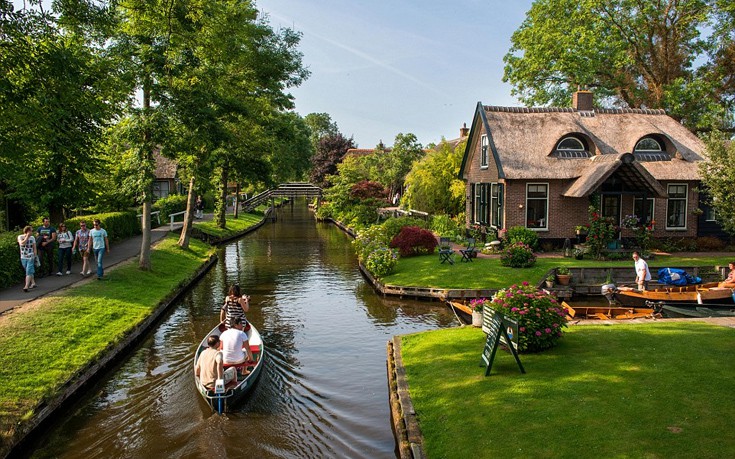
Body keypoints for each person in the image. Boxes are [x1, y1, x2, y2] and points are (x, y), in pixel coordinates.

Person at [18, 226, 37, 292]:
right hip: (23, 257)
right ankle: (33, 283)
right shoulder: (20, 237)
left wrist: (35, 255)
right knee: (28, 270)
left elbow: (34, 247)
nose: (32, 232)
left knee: (28, 271)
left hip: (30, 256)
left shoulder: (33, 238)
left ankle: (26, 286)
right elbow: (22, 244)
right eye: (31, 231)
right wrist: (27, 237)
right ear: (27, 231)